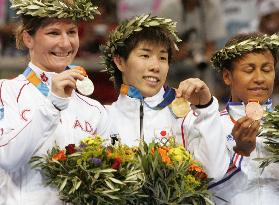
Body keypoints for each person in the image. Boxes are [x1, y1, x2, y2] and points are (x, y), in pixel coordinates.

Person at [0, 1, 111, 204]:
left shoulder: (94, 110)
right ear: (28, 38)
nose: (66, 43)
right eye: (53, 33)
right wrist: (53, 105)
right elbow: (6, 158)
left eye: (71, 32)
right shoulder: (6, 92)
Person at [102, 14, 229, 180]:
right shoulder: (103, 117)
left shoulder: (186, 118)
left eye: (162, 58)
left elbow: (214, 172)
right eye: (145, 55)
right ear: (120, 62)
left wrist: (206, 108)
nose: (155, 66)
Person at [209, 32, 279, 205]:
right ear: (227, 77)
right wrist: (241, 153)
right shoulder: (211, 126)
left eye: (267, 69)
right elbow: (202, 188)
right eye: (249, 70)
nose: (259, 79)